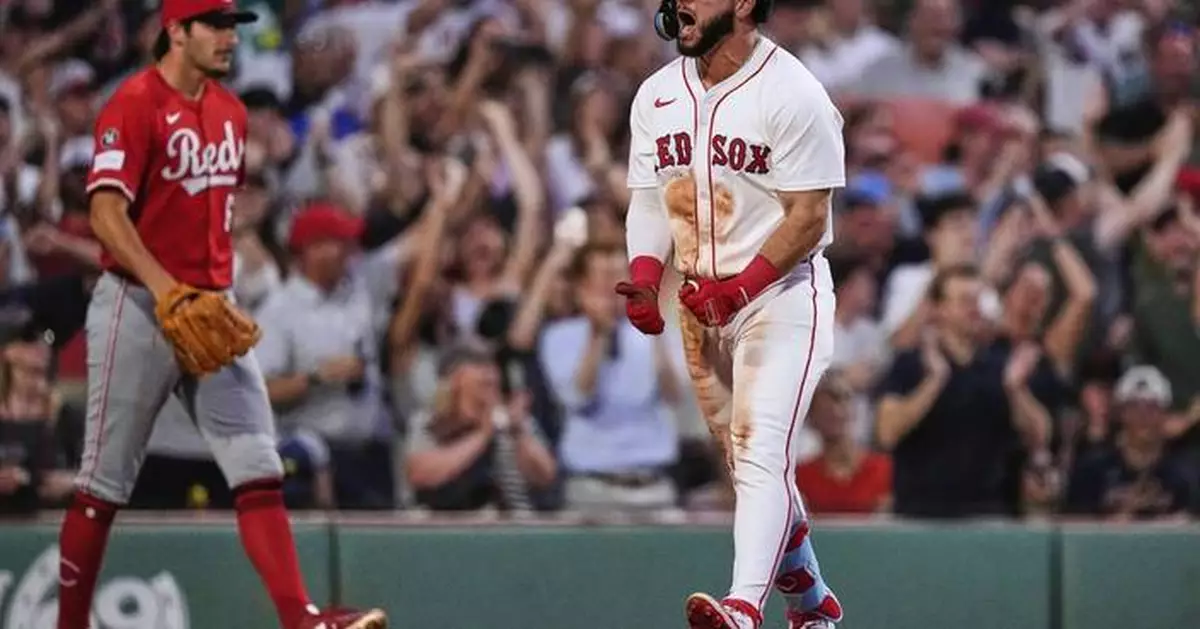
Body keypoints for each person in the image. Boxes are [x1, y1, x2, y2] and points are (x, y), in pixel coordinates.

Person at [60, 2, 387, 629]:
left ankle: (301, 618)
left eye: (233, 25)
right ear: (176, 32)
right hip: (137, 302)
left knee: (259, 465)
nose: (229, 37)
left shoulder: (231, 112)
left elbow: (208, 221)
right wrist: (166, 289)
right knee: (102, 484)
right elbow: (105, 214)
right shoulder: (133, 103)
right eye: (214, 24)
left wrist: (217, 291)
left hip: (209, 306)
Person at [617, 1, 845, 627]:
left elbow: (809, 217)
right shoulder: (656, 93)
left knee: (760, 449)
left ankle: (744, 607)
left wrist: (743, 289)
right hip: (702, 305)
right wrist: (645, 276)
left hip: (782, 295)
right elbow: (650, 198)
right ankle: (812, 603)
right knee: (750, 465)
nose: (679, 3)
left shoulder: (794, 91)